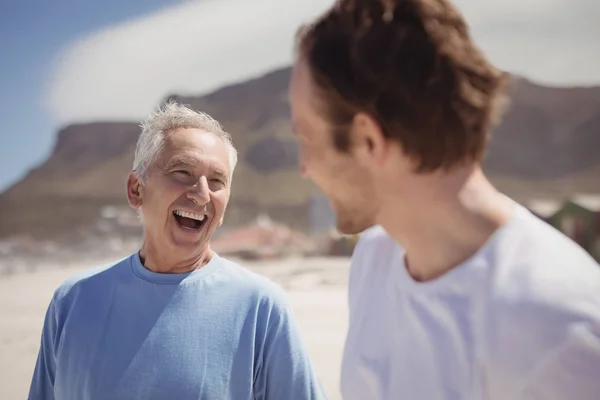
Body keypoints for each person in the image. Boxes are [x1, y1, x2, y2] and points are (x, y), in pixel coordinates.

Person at [289, 0, 600, 399]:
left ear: (368, 140)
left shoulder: (559, 331)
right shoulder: (374, 261)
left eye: (306, 139)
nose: (303, 167)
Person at [28, 102, 326, 400]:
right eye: (182, 171)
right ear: (136, 190)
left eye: (216, 181)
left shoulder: (261, 308)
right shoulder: (72, 302)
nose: (201, 193)